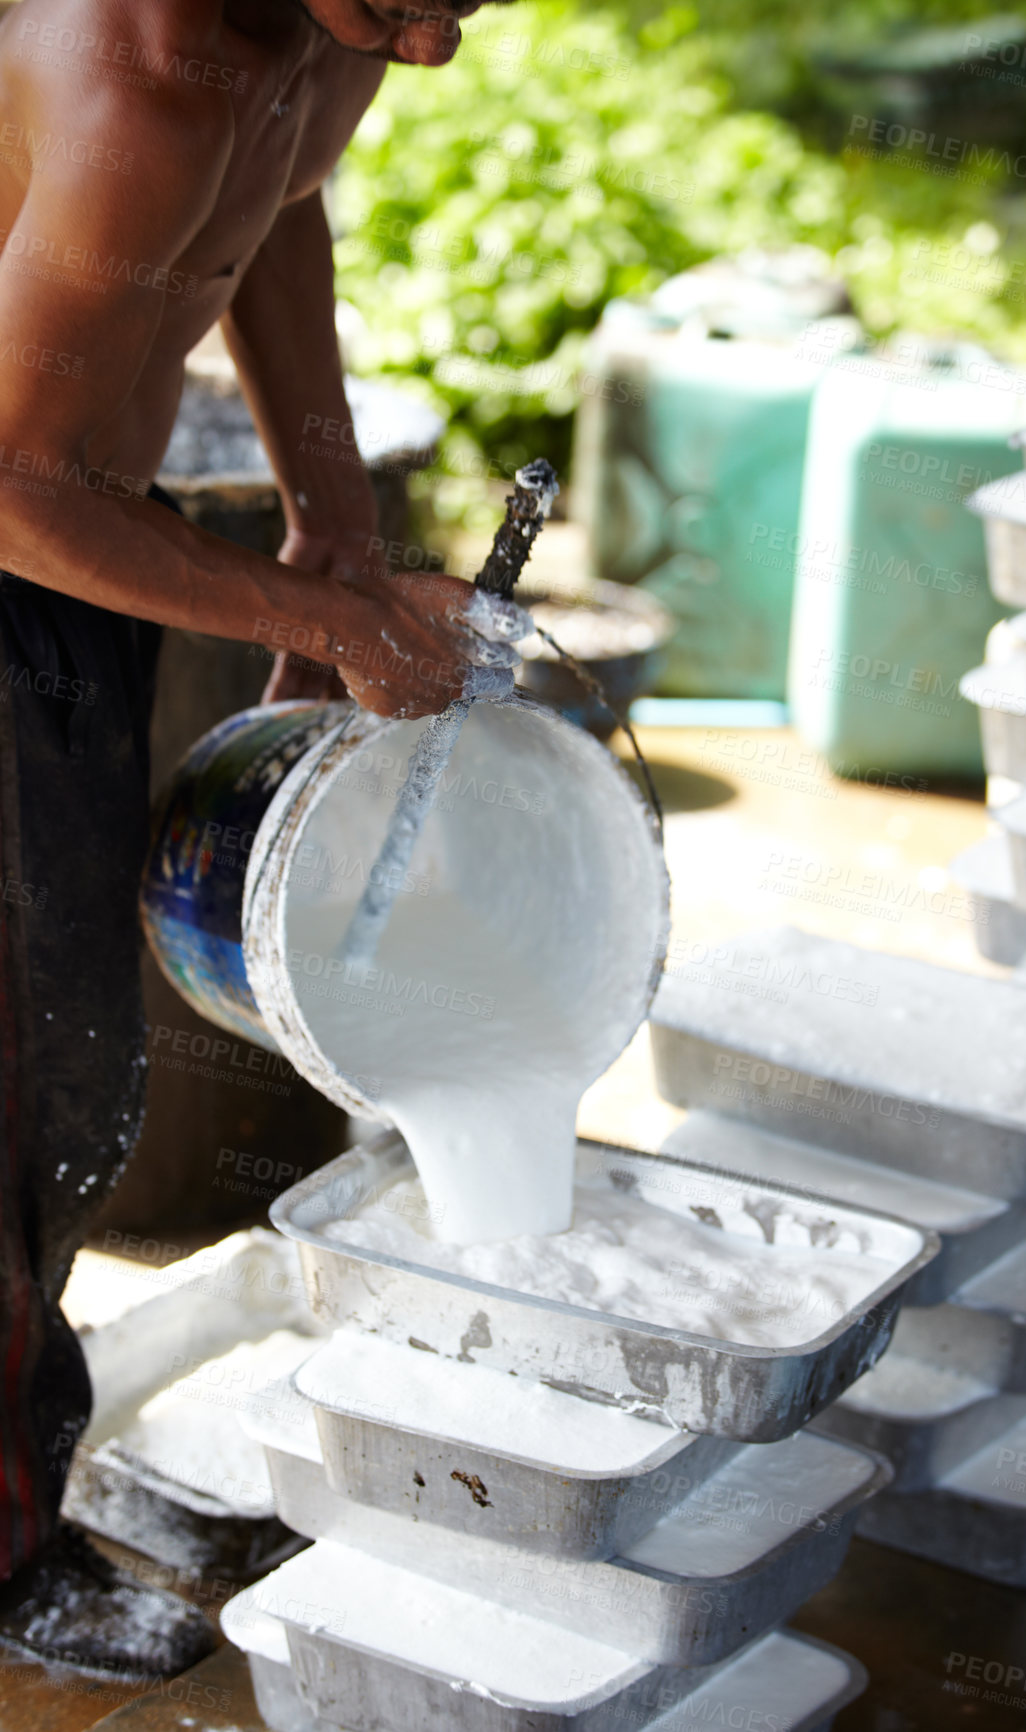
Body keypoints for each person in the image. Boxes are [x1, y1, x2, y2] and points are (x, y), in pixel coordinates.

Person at [0, 0, 520, 1678]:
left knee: (68, 1080)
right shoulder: (134, 69)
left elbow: (274, 202)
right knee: (18, 1101)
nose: (434, 45)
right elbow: (6, 480)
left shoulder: (327, 27)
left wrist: (334, 517)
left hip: (75, 538)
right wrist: (320, 616)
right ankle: (7, 1568)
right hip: (19, 513)